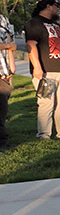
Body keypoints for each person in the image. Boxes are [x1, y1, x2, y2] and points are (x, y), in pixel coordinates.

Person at [25, 0, 60, 140]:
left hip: (59, 68)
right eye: (56, 6)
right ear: (48, 6)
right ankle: (44, 134)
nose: (58, 9)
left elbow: (59, 45)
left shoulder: (55, 24)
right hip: (45, 70)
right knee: (46, 103)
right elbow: (31, 45)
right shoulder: (34, 23)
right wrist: (37, 67)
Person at [0, 12, 15, 149]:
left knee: (2, 109)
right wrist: (7, 46)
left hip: (3, 72)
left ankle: (3, 141)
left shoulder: (3, 19)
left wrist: (11, 67)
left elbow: (11, 42)